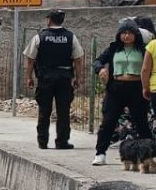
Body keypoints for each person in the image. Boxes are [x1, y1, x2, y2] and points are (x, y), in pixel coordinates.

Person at [91, 20, 152, 166]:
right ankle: (100, 153)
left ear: (136, 35)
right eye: (123, 33)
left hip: (136, 87)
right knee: (108, 121)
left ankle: (149, 154)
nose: (126, 36)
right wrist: (101, 69)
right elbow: (98, 61)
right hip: (116, 88)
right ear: (119, 35)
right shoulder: (114, 49)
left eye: (130, 33)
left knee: (141, 122)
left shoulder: (143, 49)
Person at [23, 9, 83, 150]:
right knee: (63, 111)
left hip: (45, 78)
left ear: (49, 20)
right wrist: (79, 78)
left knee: (44, 110)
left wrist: (28, 77)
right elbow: (78, 59)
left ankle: (42, 141)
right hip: (64, 77)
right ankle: (62, 142)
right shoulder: (70, 37)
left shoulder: (40, 37)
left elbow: (30, 60)